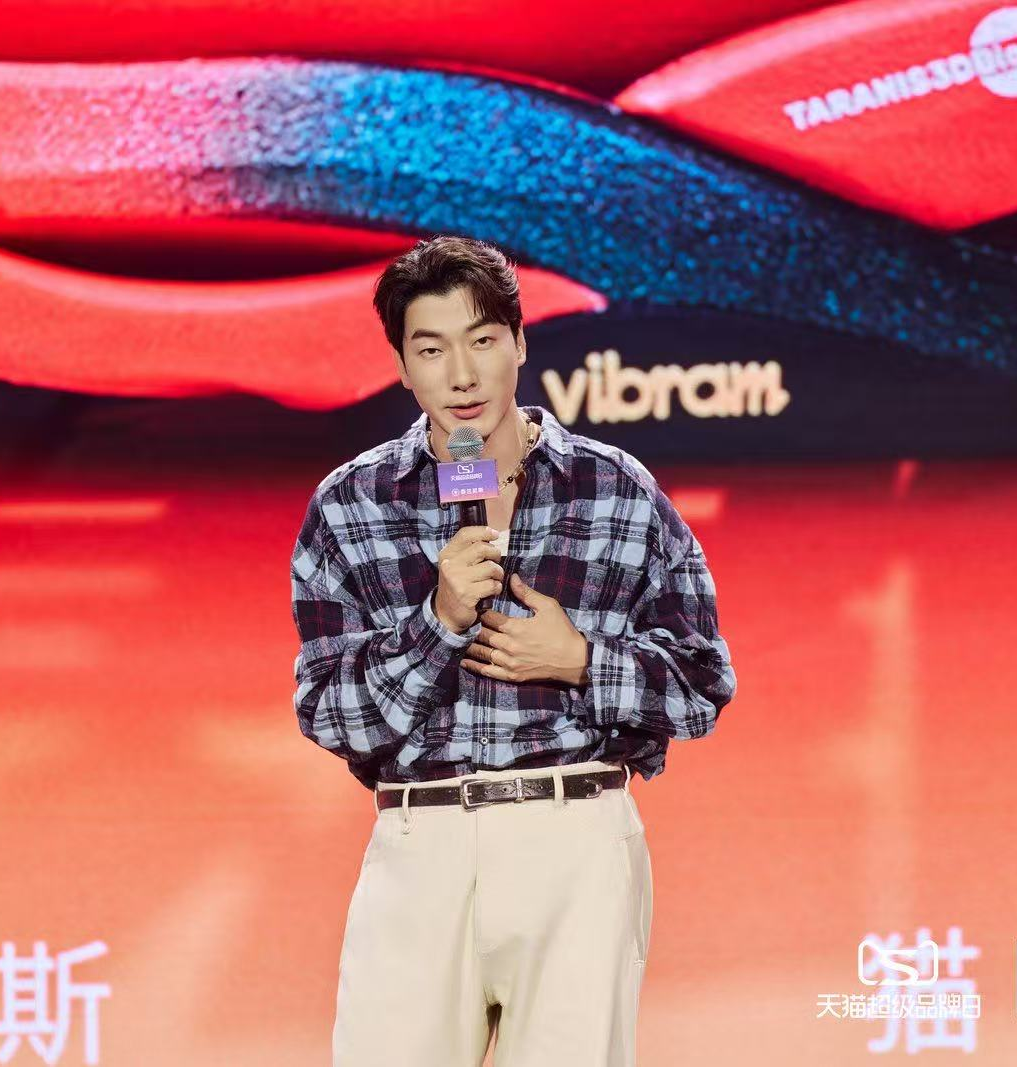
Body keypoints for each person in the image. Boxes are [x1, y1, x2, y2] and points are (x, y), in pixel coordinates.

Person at [290, 234, 737, 1066]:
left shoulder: (615, 488)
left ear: (521, 344)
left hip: (575, 839)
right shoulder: (350, 504)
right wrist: (437, 621)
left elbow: (703, 684)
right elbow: (329, 714)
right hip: (419, 845)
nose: (462, 375)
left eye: (483, 340)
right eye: (432, 349)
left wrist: (581, 660)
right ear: (402, 365)